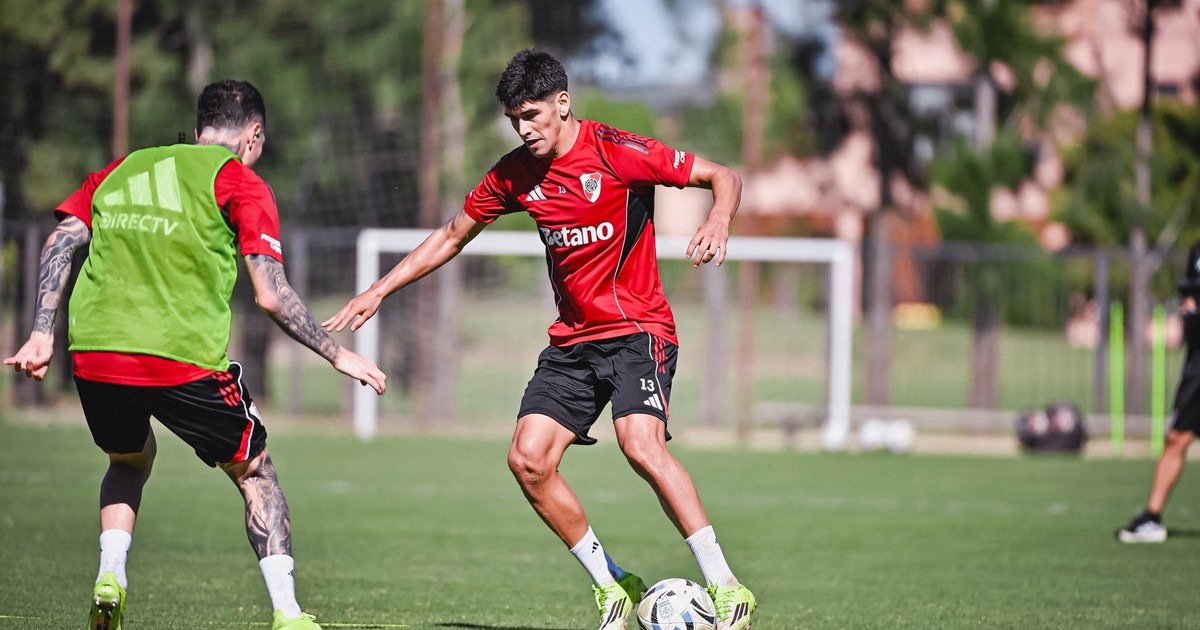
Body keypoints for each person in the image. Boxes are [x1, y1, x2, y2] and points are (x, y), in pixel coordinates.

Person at [323, 50, 756, 630]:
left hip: (637, 329)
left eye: (531, 115)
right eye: (514, 120)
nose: (524, 129)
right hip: (573, 341)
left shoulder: (616, 151)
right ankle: (613, 585)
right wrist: (378, 290)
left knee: (639, 444)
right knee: (527, 460)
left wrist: (718, 218)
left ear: (562, 103)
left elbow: (723, 176)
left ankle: (726, 586)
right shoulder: (514, 173)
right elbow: (453, 235)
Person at [4, 79, 386, 630]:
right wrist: (336, 354)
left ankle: (110, 576)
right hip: (181, 359)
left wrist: (42, 332)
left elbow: (62, 239)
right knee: (255, 470)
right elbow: (270, 295)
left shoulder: (125, 167)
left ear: (201, 126)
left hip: (95, 352)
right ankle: (287, 613)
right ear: (253, 134)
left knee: (128, 460)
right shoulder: (241, 182)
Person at [1117, 242, 1200, 543]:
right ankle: (1152, 518)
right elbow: (1189, 291)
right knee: (1176, 437)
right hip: (1197, 364)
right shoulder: (1197, 250)